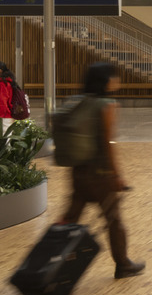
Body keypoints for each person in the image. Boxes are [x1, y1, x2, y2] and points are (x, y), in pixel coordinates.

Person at [54, 60, 144, 280]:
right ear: (106, 81)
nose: (117, 80)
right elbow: (108, 143)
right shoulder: (107, 105)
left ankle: (50, 259)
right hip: (100, 176)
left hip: (78, 172)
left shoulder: (78, 101)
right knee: (114, 220)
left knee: (70, 218)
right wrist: (116, 175)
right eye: (114, 76)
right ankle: (123, 265)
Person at [0, 60, 28, 132]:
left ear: (0, 70)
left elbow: (2, 103)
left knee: (4, 142)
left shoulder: (2, 84)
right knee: (6, 141)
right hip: (8, 117)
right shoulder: (8, 82)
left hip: (4, 118)